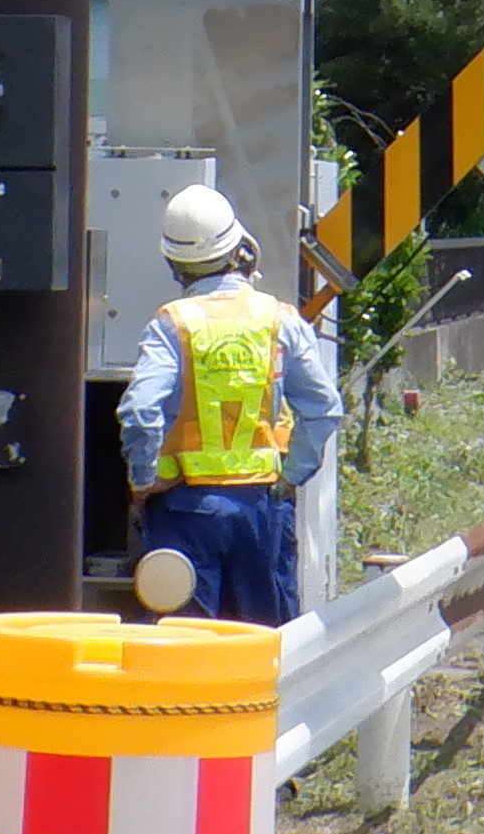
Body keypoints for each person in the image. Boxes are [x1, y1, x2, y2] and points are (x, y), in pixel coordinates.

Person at [116, 184, 340, 626]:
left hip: (184, 510)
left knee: (183, 649)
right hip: (261, 509)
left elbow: (140, 412)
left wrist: (143, 481)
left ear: (175, 263)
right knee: (261, 648)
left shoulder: (172, 325)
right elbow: (323, 407)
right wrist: (291, 476)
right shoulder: (279, 319)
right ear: (240, 248)